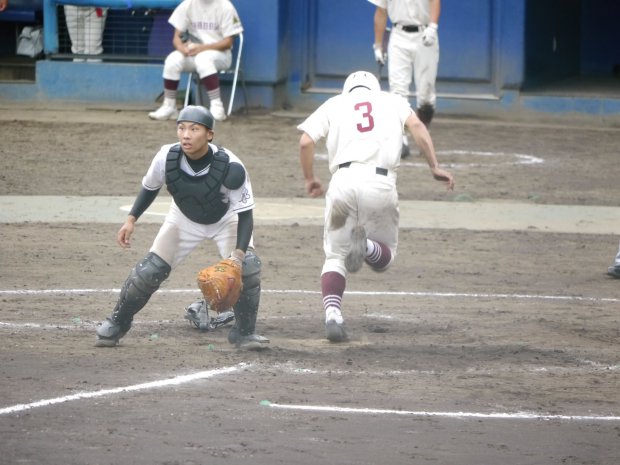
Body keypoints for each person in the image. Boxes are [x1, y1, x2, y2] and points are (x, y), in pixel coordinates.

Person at [297, 70, 454, 342]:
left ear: (348, 89)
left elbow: (305, 141)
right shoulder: (392, 101)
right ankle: (367, 246)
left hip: (342, 183)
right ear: (374, 88)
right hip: (380, 184)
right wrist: (434, 166)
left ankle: (333, 314)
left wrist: (310, 178)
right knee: (385, 259)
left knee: (335, 256)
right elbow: (418, 127)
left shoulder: (334, 103)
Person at [95, 105, 269, 351]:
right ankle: (117, 322)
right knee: (148, 271)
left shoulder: (231, 165)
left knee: (249, 267)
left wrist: (238, 257)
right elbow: (150, 188)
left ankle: (244, 333)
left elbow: (246, 216)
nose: (186, 134)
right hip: (183, 218)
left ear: (209, 134)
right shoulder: (167, 156)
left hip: (226, 220)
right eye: (181, 128)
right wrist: (131, 219)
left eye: (194, 129)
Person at [148, 0, 243, 122]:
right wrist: (182, 49)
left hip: (221, 55)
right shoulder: (188, 4)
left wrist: (202, 48)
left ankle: (217, 107)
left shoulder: (225, 6)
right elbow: (177, 37)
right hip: (195, 52)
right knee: (173, 59)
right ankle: (169, 107)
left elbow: (228, 42)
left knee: (203, 59)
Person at [369, 0, 441, 158]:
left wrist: (433, 27)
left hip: (424, 33)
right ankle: (400, 139)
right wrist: (378, 46)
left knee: (426, 94)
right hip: (398, 36)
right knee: (398, 91)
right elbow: (381, 12)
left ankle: (423, 133)